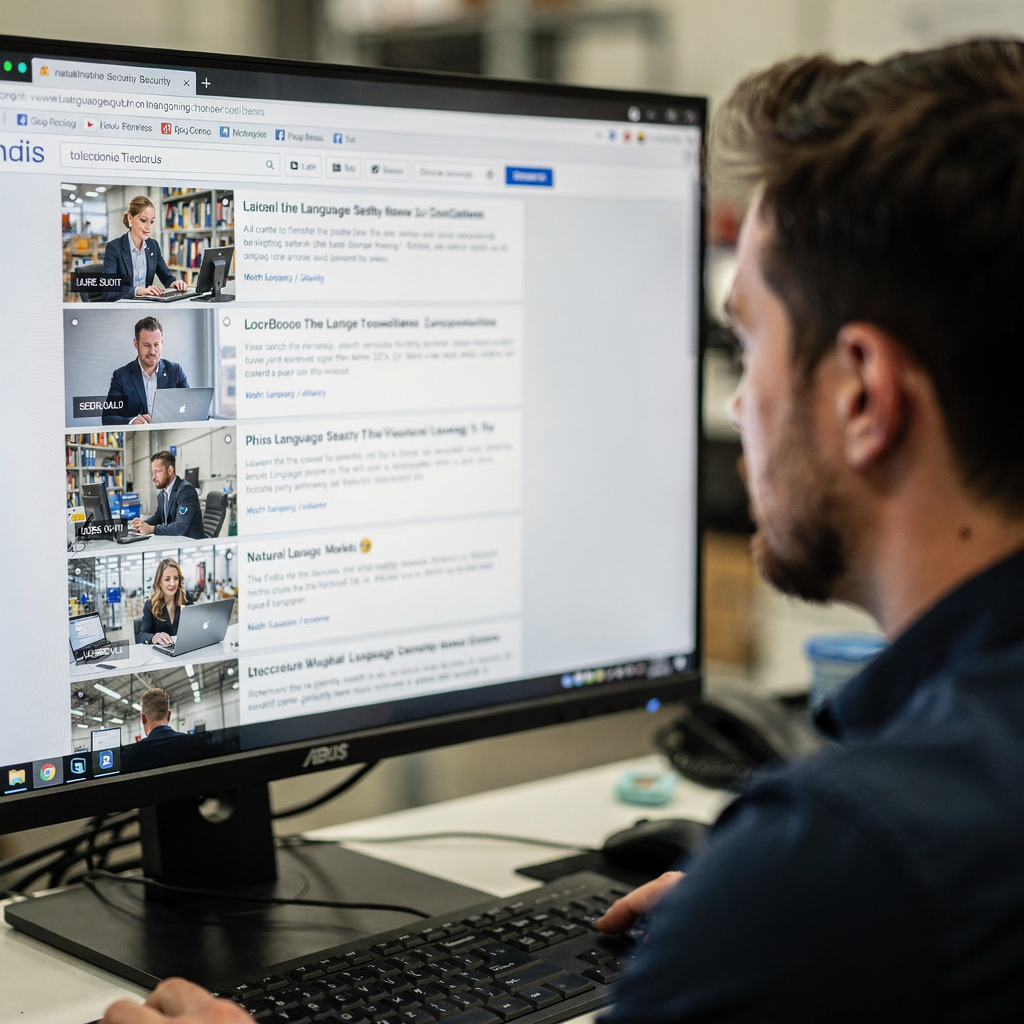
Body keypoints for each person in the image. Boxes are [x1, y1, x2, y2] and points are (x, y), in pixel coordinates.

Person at [101, 39, 1024, 1024]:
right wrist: (752, 919)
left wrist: (779, 905)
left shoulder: (852, 859)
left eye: (745, 342)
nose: (738, 401)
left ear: (862, 397)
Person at [102, 316, 190, 426]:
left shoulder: (176, 371)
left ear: (162, 343)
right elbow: (108, 418)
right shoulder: (121, 376)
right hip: (136, 435)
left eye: (156, 345)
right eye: (146, 345)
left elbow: (190, 409)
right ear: (136, 344)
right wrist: (131, 422)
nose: (152, 351)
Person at [103, 194, 187, 301]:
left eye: (152, 221)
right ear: (130, 218)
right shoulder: (114, 248)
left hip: (146, 305)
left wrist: (174, 283)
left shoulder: (153, 246)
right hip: (124, 306)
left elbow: (167, 278)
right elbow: (107, 291)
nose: (149, 227)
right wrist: (137, 291)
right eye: (143, 220)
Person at [130, 451, 206, 540]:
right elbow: (159, 516)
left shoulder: (186, 491)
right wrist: (143, 524)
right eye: (153, 472)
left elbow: (180, 527)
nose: (153, 478)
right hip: (175, 541)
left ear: (170, 470)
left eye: (157, 472)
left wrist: (151, 529)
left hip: (190, 542)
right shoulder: (162, 494)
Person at [137, 559, 190, 646]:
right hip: (162, 650)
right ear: (159, 582)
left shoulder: (186, 598)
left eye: (176, 578)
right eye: (167, 579)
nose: (172, 583)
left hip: (184, 647)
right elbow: (141, 636)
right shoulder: (150, 605)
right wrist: (153, 638)